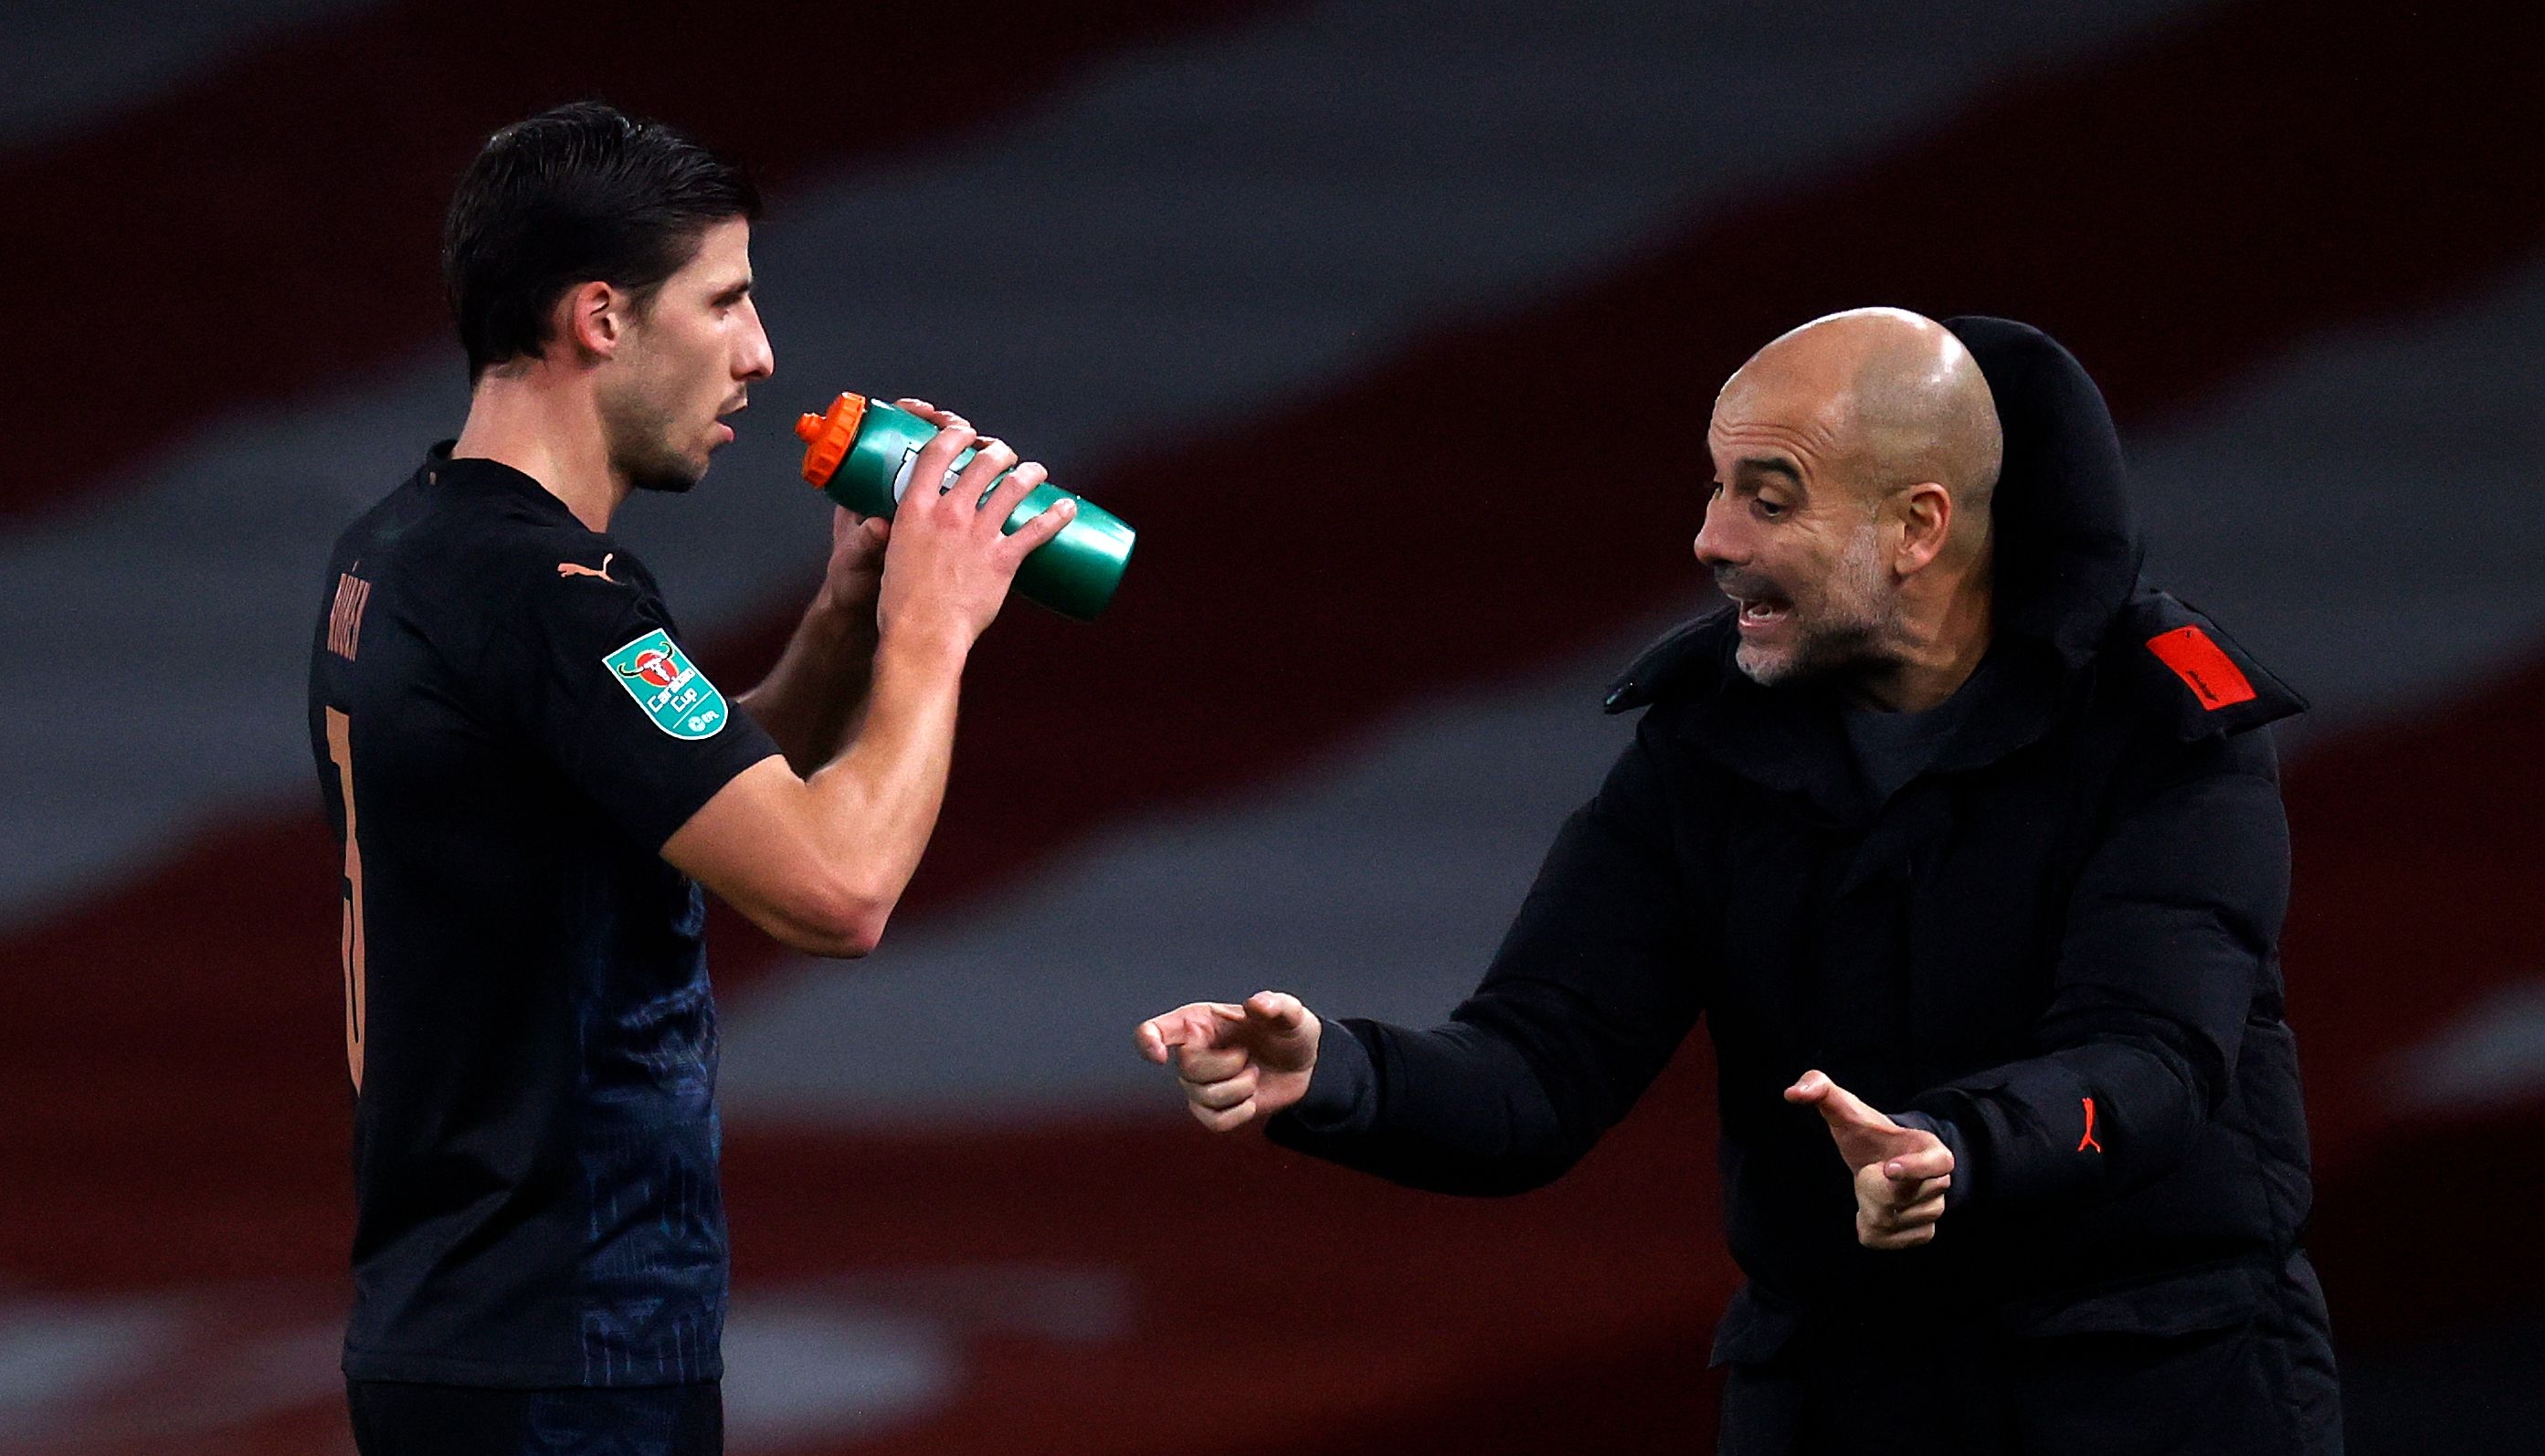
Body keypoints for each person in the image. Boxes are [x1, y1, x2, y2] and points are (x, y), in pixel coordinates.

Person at [1137, 309, 2340, 1453]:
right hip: (1837, 1389)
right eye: (1715, 488)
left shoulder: (2165, 726)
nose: (1711, 539)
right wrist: (1335, 1073)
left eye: (1766, 498)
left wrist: (1949, 1150)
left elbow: (2150, 1059)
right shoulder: (1702, 748)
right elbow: (1537, 1068)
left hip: (2149, 1391)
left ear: (1916, 525)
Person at [307, 103, 1072, 1456]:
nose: (760, 356)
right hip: (562, 1344)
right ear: (601, 317)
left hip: (472, 1327)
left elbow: (672, 801)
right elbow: (834, 888)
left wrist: (842, 623)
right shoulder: (548, 595)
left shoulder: (413, 546)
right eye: (724, 301)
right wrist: (934, 627)